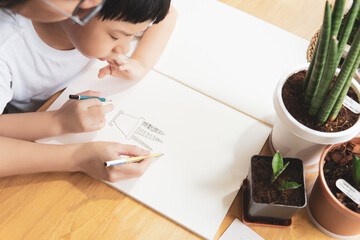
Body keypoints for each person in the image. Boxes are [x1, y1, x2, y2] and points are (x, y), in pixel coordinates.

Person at [0, 0, 176, 182]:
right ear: (81, 11)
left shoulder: (107, 11)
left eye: (135, 35)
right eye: (116, 36)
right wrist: (58, 125)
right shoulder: (7, 44)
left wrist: (140, 64)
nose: (124, 49)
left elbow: (168, 14)